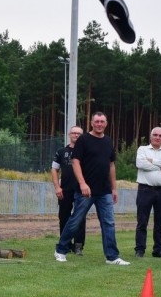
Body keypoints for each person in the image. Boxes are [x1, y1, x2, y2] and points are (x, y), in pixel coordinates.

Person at [54, 112, 130, 265]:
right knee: (75, 220)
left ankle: (112, 257)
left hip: (105, 191)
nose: (99, 124)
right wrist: (82, 183)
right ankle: (61, 250)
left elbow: (111, 165)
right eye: (97, 121)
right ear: (91, 123)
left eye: (102, 121)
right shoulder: (83, 140)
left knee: (109, 222)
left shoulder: (108, 141)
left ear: (106, 123)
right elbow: (75, 162)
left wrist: (114, 188)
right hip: (85, 191)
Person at [133, 127, 161, 258]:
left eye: (160, 136)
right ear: (150, 137)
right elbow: (140, 164)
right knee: (142, 221)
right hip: (145, 189)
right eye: (155, 135)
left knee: (160, 222)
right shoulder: (142, 149)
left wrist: (153, 161)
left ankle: (158, 250)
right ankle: (140, 249)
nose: (157, 137)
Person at [51, 126, 86, 255]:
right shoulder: (61, 151)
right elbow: (54, 169)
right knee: (64, 217)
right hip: (64, 190)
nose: (76, 135)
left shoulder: (86, 151)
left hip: (81, 190)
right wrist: (57, 187)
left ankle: (78, 246)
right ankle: (64, 244)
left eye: (79, 133)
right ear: (69, 134)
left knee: (80, 218)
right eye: (74, 133)